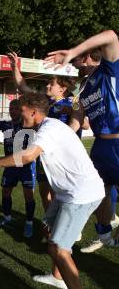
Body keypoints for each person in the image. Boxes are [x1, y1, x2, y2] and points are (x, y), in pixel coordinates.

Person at [0, 92, 104, 289]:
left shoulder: (48, 129)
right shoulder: (46, 125)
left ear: (33, 112)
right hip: (67, 193)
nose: (18, 115)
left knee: (60, 249)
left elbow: (27, 157)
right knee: (47, 228)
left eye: (22, 111)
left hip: (79, 195)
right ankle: (58, 277)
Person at [45, 29, 119, 253]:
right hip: (100, 147)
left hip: (117, 143)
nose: (73, 65)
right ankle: (104, 233)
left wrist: (73, 50)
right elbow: (76, 121)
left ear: (86, 55)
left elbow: (112, 36)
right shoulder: (82, 87)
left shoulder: (109, 69)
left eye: (76, 60)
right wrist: (56, 141)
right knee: (98, 192)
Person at [8, 52, 76, 215]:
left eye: (51, 84)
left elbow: (85, 124)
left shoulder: (73, 101)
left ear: (63, 88)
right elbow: (22, 86)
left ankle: (63, 226)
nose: (47, 86)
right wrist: (14, 67)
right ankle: (50, 226)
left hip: (62, 156)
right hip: (43, 154)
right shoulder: (45, 102)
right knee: (44, 193)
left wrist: (73, 110)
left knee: (58, 194)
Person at [0, 99, 36, 238]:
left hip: (26, 166)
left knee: (28, 195)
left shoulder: (27, 124)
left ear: (21, 110)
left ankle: (29, 223)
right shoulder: (6, 124)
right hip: (10, 165)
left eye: (16, 108)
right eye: (11, 108)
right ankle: (7, 217)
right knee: (5, 192)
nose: (13, 111)